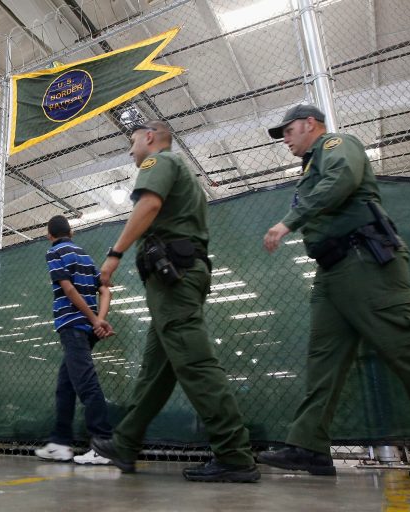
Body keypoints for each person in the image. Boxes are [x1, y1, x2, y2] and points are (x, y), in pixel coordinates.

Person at [259, 104, 410, 480]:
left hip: (364, 262)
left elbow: (343, 179)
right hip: (333, 270)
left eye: (288, 130)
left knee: (408, 353)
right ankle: (309, 446)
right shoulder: (309, 166)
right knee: (324, 360)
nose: (285, 139)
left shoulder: (337, 144)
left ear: (310, 125)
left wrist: (289, 221)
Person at [92, 120, 260, 483]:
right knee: (156, 370)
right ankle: (126, 442)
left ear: (150, 137)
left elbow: (149, 204)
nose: (131, 149)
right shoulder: (181, 170)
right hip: (178, 278)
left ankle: (234, 455)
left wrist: (114, 254)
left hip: (174, 280)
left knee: (197, 364)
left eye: (133, 141)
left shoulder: (160, 162)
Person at [34, 215, 115, 466]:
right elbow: (105, 291)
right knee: (66, 386)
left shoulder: (55, 251)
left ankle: (103, 445)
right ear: (72, 232)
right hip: (87, 328)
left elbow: (68, 290)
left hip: (72, 325)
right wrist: (99, 320)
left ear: (50, 235)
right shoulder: (85, 256)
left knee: (86, 384)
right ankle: (59, 443)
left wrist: (93, 320)